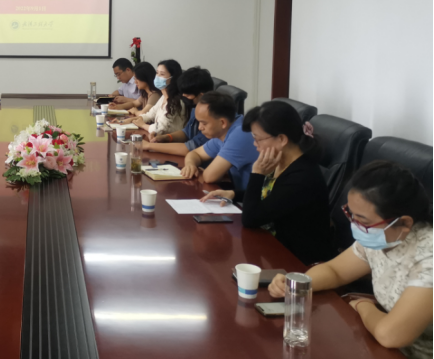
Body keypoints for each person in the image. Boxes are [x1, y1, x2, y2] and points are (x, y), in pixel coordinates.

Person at [269, 162, 433, 359]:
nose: (354, 225)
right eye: (350, 214)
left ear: (403, 223)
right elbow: (335, 271)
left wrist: (363, 306)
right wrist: (298, 284)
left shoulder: (427, 256)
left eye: (362, 220)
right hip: (386, 353)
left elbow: (391, 335)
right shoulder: (384, 236)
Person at [201, 101, 334, 265]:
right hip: (274, 245)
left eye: (257, 139)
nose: (254, 144)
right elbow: (272, 196)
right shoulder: (281, 160)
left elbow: (251, 219)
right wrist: (234, 193)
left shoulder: (302, 177)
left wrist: (257, 174)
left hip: (298, 261)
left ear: (282, 139)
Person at [180, 91, 258, 197]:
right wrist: (191, 165)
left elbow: (209, 177)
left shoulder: (240, 133)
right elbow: (194, 153)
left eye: (204, 123)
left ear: (222, 123)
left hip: (254, 200)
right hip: (240, 195)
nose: (199, 127)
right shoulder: (224, 131)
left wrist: (204, 171)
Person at [142, 66, 213, 156]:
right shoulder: (196, 107)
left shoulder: (212, 118)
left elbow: (189, 148)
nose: (183, 97)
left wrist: (149, 145)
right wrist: (166, 137)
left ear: (201, 96)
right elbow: (186, 132)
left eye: (187, 95)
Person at [131, 59, 187, 139]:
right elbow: (150, 115)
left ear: (172, 78)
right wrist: (131, 120)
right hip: (159, 139)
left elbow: (159, 128)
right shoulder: (164, 97)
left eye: (162, 74)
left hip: (170, 142)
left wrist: (142, 125)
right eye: (157, 73)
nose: (157, 77)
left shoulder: (175, 100)